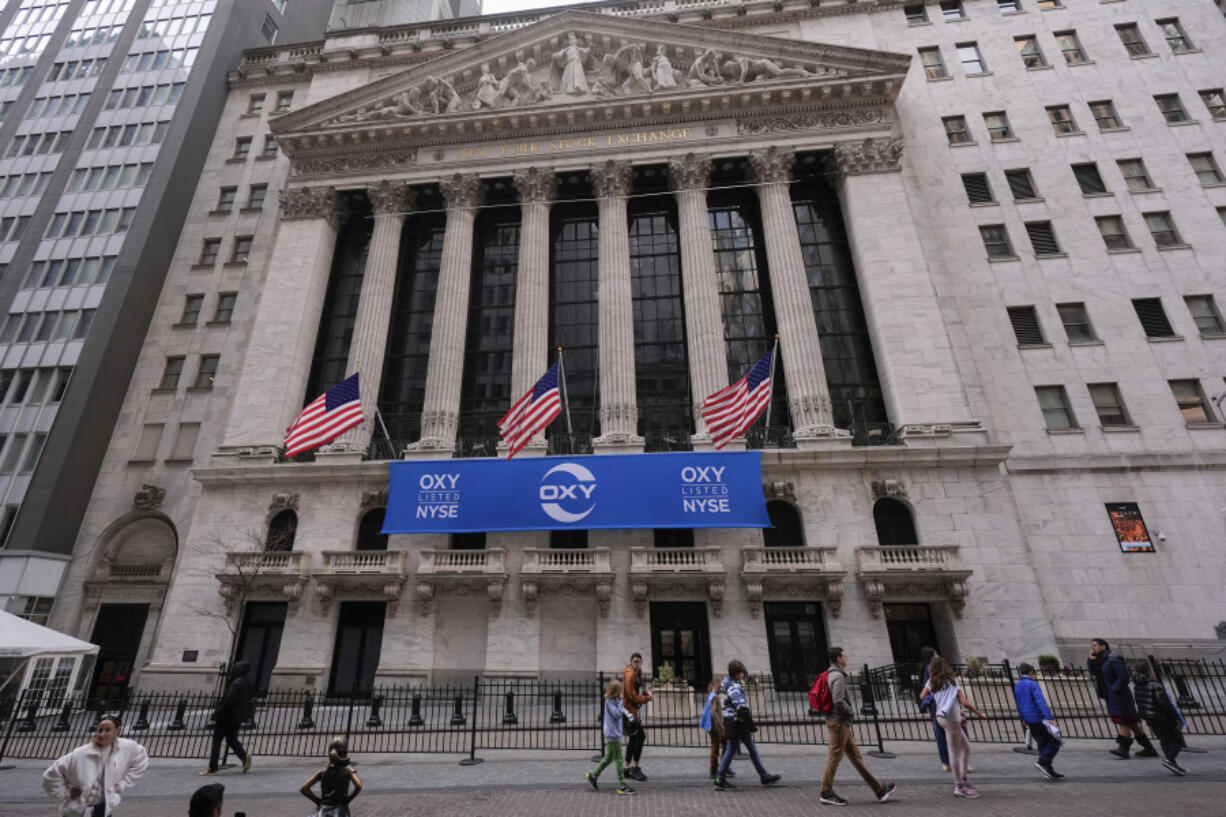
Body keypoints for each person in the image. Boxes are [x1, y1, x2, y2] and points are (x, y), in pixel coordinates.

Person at [820, 648, 896, 805]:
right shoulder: (837, 676)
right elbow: (838, 700)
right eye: (844, 655)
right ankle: (826, 792)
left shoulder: (832, 673)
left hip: (840, 722)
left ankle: (879, 790)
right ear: (838, 658)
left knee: (856, 757)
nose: (846, 658)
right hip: (839, 722)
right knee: (834, 757)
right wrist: (851, 712)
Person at [43, 714, 149, 817]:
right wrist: (66, 792)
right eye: (100, 730)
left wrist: (122, 784)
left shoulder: (126, 747)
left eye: (107, 730)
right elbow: (51, 776)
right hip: (77, 811)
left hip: (104, 808)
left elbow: (141, 759)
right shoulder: (80, 754)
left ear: (117, 731)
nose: (102, 734)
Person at [921, 656, 987, 798]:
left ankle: (963, 778)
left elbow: (922, 696)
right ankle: (959, 786)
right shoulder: (952, 682)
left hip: (941, 717)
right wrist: (979, 713)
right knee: (955, 753)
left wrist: (937, 696)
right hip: (951, 720)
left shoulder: (931, 682)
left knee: (966, 747)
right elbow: (964, 702)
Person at [713, 659, 781, 790]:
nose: (743, 674)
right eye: (742, 672)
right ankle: (763, 776)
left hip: (730, 720)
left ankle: (720, 778)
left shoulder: (726, 683)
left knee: (733, 749)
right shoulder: (735, 687)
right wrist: (750, 724)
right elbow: (741, 707)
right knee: (749, 748)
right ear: (738, 673)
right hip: (737, 721)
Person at [1087, 638, 1159, 759]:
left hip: (1120, 695)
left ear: (1103, 647)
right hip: (1111, 695)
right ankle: (1149, 748)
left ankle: (1123, 749)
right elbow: (1094, 672)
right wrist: (1091, 660)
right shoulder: (1102, 661)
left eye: (1095, 645)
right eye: (1092, 646)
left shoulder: (1113, 659)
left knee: (1124, 720)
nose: (1092, 648)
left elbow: (1124, 676)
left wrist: (1114, 689)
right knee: (1132, 722)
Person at [1132, 659, 1187, 776]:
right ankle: (1169, 759)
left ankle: (1172, 762)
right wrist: (1176, 717)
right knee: (1177, 739)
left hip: (1149, 716)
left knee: (1164, 739)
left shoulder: (1138, 684)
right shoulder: (1155, 684)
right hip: (1161, 717)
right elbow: (1165, 704)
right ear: (1149, 670)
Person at [202, 660, 254, 775]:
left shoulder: (236, 683)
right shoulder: (248, 682)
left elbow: (228, 701)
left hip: (227, 716)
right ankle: (244, 757)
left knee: (217, 741)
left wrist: (217, 713)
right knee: (231, 739)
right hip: (237, 717)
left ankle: (213, 767)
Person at [1013, 662, 1064, 779]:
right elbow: (1040, 702)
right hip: (1038, 717)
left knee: (1042, 743)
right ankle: (1043, 762)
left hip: (1029, 719)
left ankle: (1048, 769)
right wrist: (1049, 718)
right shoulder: (1033, 684)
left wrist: (1023, 718)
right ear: (1031, 673)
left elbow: (1019, 704)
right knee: (1055, 741)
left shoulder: (1018, 685)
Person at [586, 679, 635, 795]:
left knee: (609, 757)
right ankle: (622, 784)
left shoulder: (616, 700)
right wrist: (621, 702)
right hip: (613, 734)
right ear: (616, 691)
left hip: (615, 733)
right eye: (620, 690)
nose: (622, 692)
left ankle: (593, 775)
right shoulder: (609, 701)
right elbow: (617, 714)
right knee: (618, 759)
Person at [301, 737, 364, 816]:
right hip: (339, 809)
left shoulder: (323, 772)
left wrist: (317, 801)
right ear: (344, 752)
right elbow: (359, 785)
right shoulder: (347, 770)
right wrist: (349, 799)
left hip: (323, 809)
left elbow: (304, 789)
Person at [621, 652, 653, 781]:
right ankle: (635, 767)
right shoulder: (630, 674)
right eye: (635, 661)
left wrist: (646, 692)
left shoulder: (637, 673)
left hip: (631, 711)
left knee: (634, 739)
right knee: (640, 736)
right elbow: (631, 696)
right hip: (629, 712)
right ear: (631, 662)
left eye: (639, 661)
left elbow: (637, 689)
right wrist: (647, 698)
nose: (637, 663)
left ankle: (627, 768)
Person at [700, 676, 730, 779]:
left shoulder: (711, 695)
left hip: (713, 725)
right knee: (716, 747)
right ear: (715, 686)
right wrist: (721, 727)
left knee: (723, 743)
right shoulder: (714, 697)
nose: (721, 689)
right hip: (714, 727)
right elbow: (714, 713)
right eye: (719, 687)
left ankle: (723, 766)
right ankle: (714, 770)